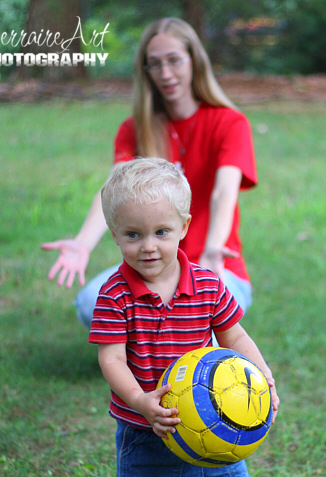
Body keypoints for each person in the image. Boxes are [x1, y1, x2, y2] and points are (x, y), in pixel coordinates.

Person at [41, 17, 258, 328]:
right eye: (154, 64)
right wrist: (83, 244)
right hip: (150, 266)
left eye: (174, 61)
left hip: (213, 264)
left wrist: (212, 251)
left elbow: (224, 192)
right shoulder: (135, 129)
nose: (165, 73)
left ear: (194, 61)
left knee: (195, 331)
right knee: (91, 305)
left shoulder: (230, 123)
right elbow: (112, 191)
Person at [89, 157, 279, 477]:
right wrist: (140, 401)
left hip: (218, 421)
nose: (148, 247)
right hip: (150, 430)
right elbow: (112, 358)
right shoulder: (114, 295)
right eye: (133, 234)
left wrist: (261, 375)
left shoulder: (207, 284)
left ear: (184, 227)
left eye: (161, 232)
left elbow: (233, 337)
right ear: (115, 235)